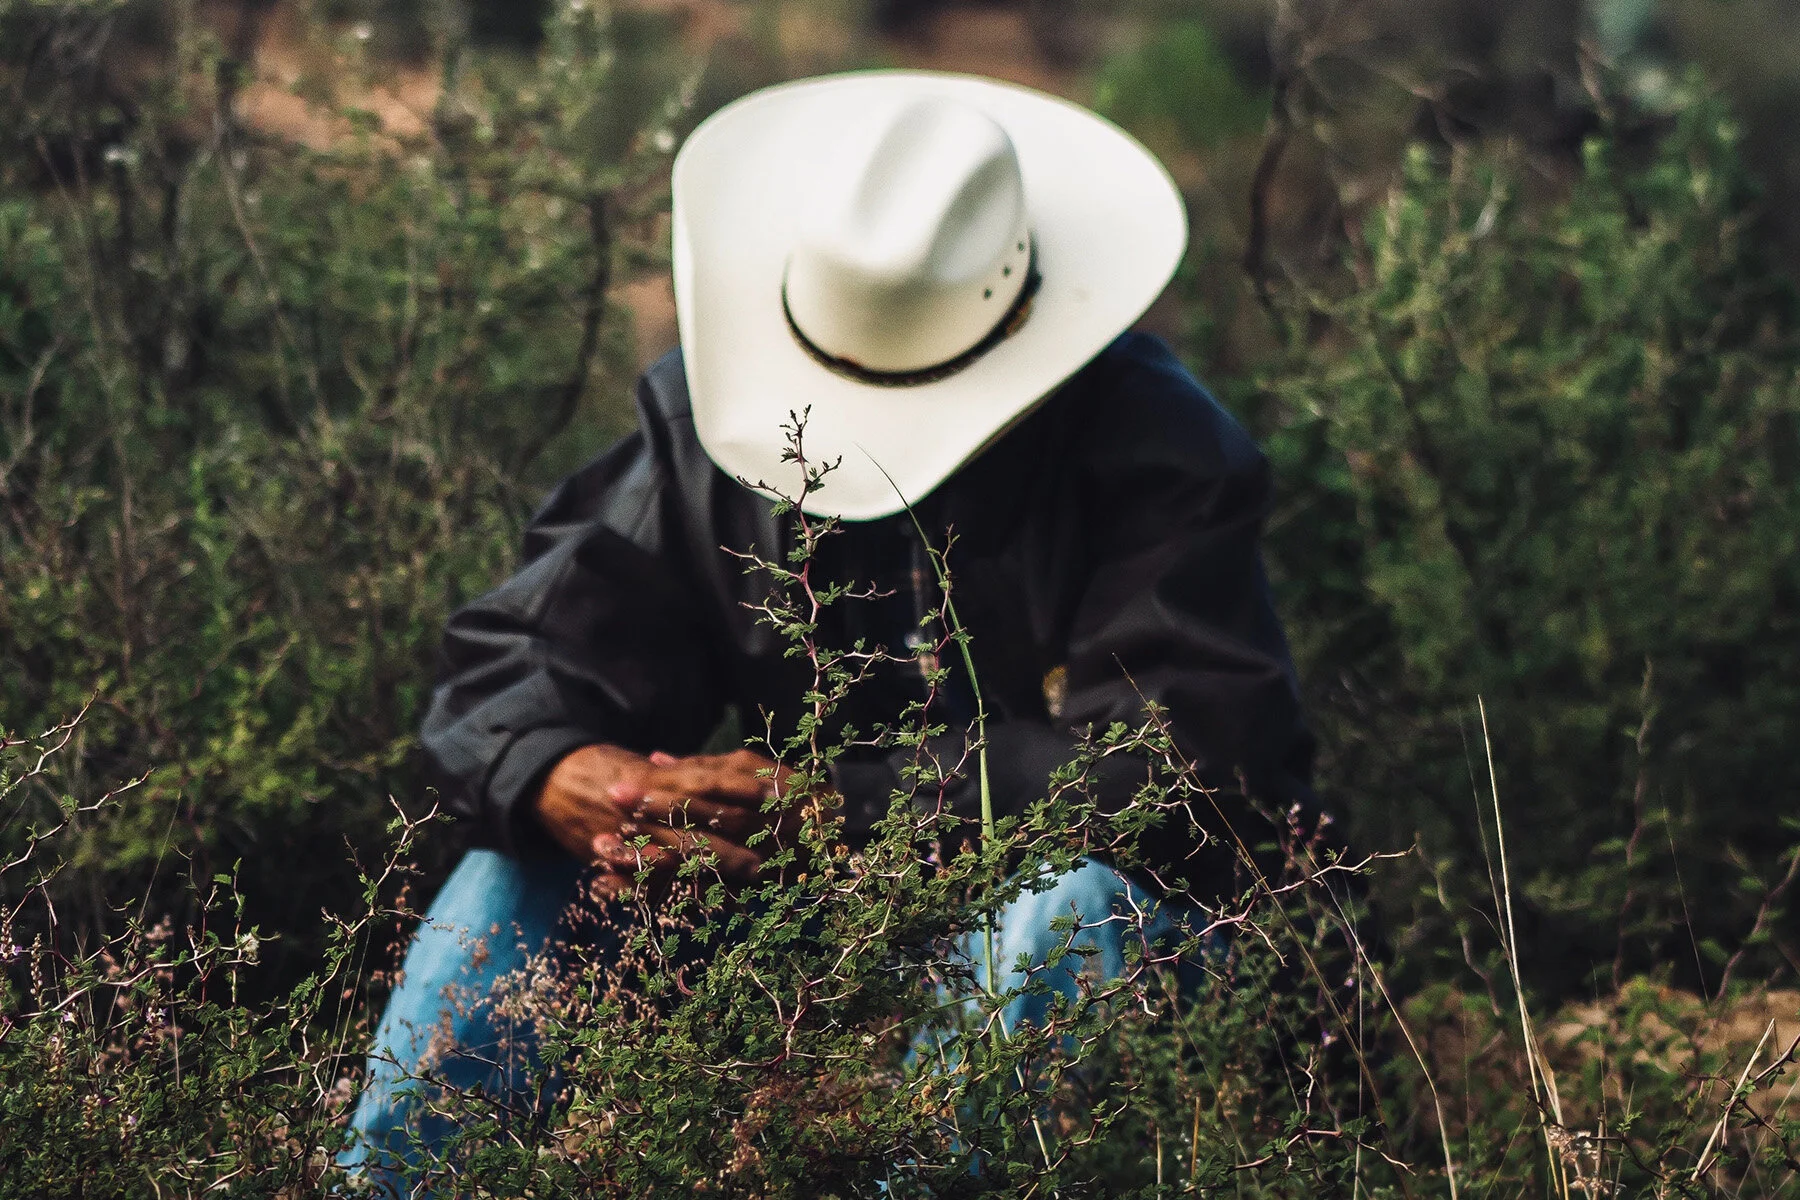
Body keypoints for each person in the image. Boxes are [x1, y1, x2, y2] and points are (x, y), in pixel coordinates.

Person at [341, 69, 1319, 1188]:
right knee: (517, 875)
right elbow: (525, 654)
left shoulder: (1163, 454)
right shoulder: (706, 425)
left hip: (1134, 926)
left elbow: (1183, 764)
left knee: (1070, 917)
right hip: (795, 905)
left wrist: (839, 809)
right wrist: (564, 773)